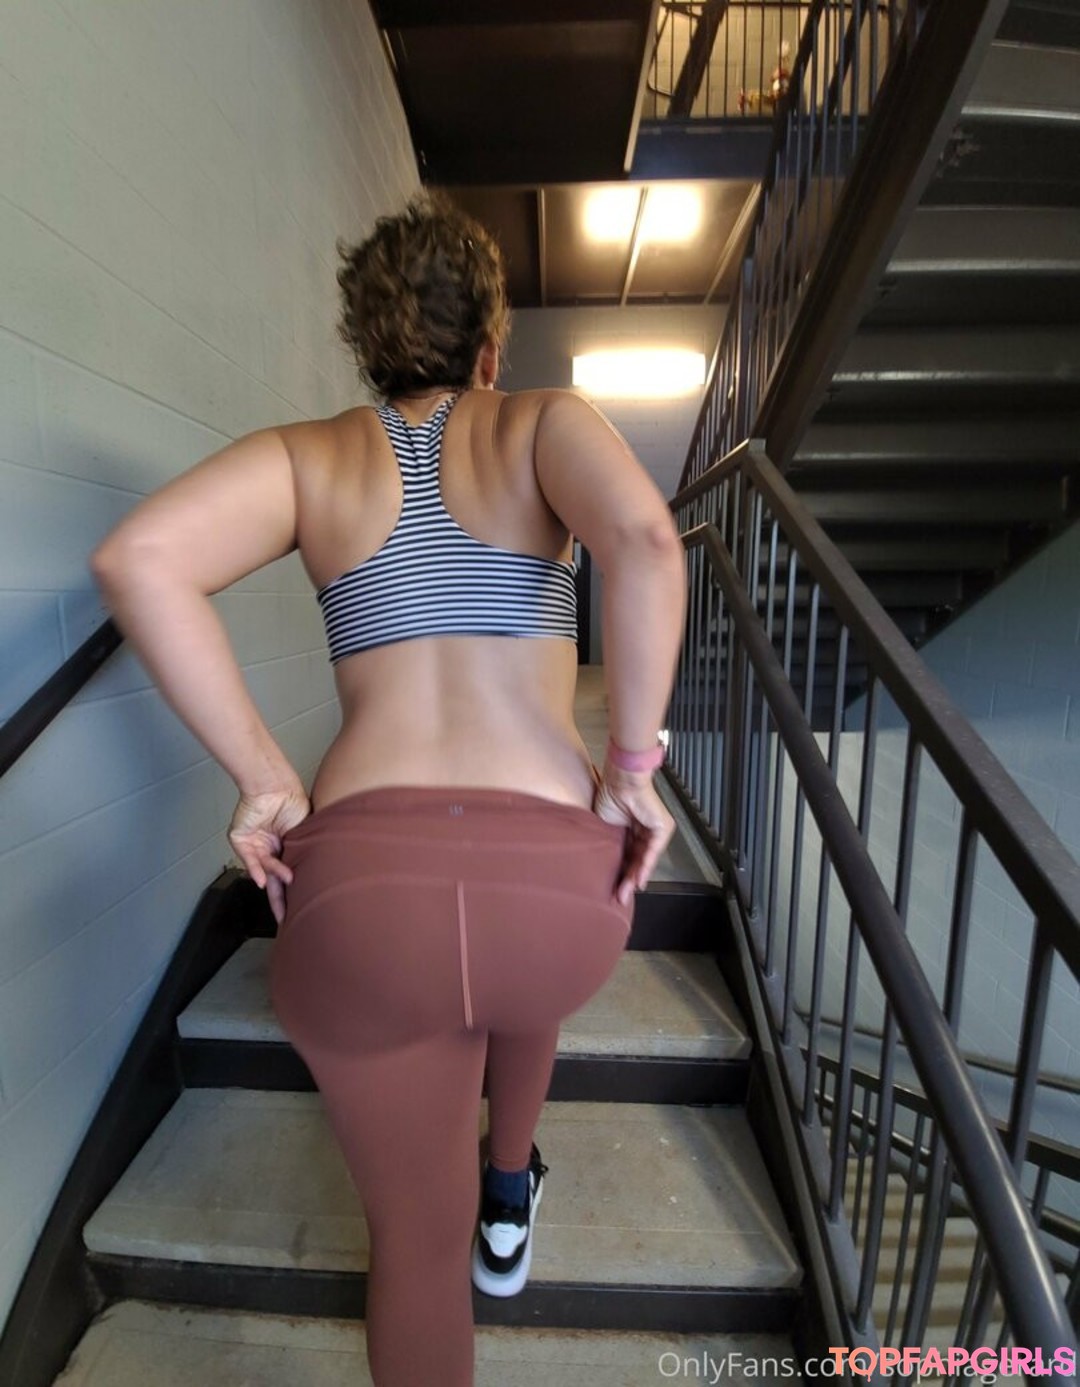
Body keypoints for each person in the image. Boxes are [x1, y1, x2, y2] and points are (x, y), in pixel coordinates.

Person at [91, 194, 687, 1387]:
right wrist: (630, 771)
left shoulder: (307, 457)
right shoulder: (542, 422)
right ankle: (508, 1184)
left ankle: (481, 1200)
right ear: (491, 346)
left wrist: (266, 780)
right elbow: (646, 541)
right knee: (525, 937)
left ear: (367, 345)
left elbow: (138, 558)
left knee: (412, 1251)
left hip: (365, 891)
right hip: (558, 898)